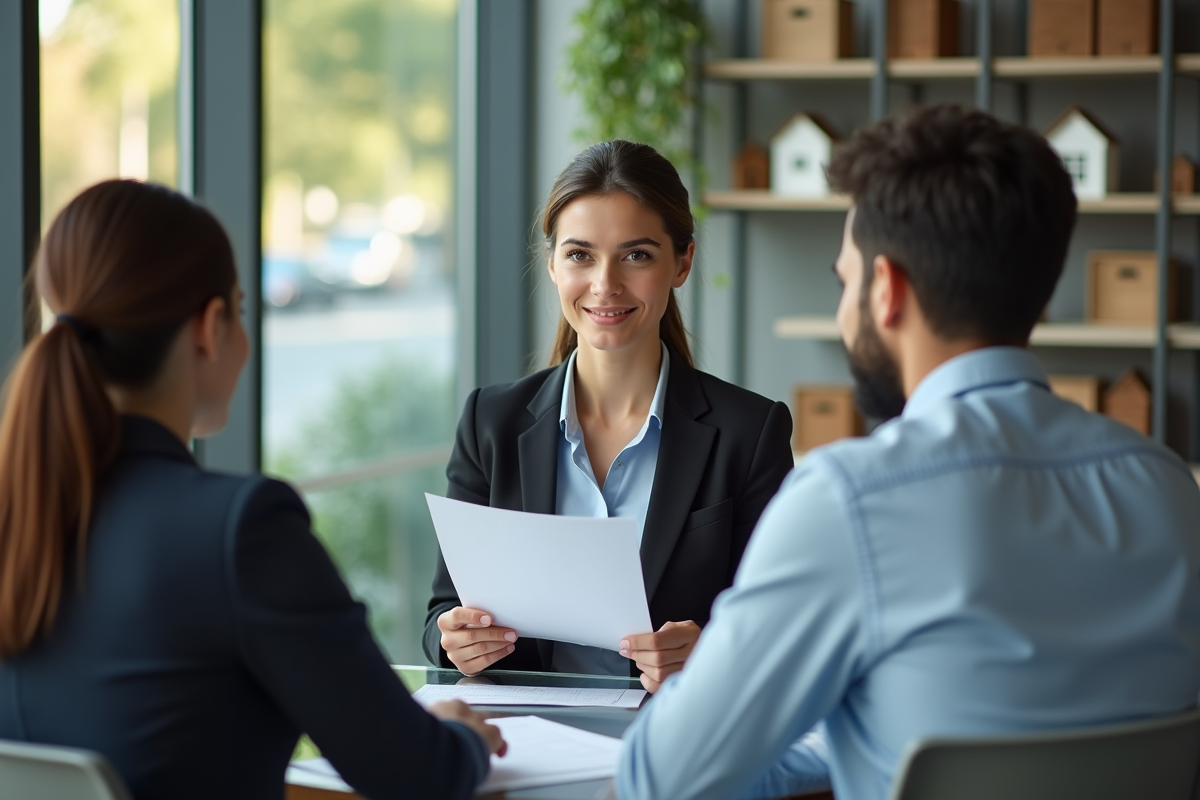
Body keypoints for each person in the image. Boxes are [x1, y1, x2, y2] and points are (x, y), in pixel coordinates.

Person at [617, 105, 1200, 800]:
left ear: (886, 291)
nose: (843, 312)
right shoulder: (1166, 488)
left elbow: (662, 781)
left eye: (845, 282)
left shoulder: (848, 501)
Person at [0, 179, 504, 800]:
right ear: (210, 328)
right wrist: (459, 736)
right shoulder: (240, 531)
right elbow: (418, 776)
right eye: (240, 310)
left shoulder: (17, 515)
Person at [424, 140, 794, 691]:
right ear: (552, 264)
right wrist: (455, 640)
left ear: (682, 262)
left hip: (673, 745)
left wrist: (713, 650)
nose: (605, 283)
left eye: (637, 255)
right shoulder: (490, 422)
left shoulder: (750, 432)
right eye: (580, 255)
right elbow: (440, 617)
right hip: (526, 745)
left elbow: (784, 630)